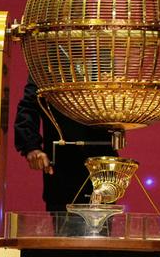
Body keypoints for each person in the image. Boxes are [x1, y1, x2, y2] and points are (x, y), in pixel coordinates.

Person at [14, 74, 118, 213]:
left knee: (102, 221)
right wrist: (31, 147)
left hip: (102, 167)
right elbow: (29, 106)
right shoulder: (46, 64)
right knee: (65, 223)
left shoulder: (105, 63)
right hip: (63, 169)